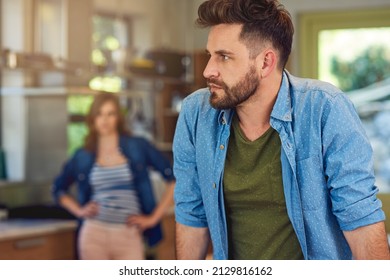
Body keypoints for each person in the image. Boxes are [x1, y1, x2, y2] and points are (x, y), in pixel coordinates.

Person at [173, 0, 390, 260]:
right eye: (210, 54)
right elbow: (191, 214)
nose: (208, 70)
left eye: (224, 56)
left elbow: (360, 218)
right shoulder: (196, 113)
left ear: (266, 63)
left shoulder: (325, 109)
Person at [53, 93, 175, 260]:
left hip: (128, 234)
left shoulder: (137, 146)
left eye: (110, 114)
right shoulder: (82, 155)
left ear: (118, 118)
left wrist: (153, 219)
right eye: (100, 114)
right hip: (93, 234)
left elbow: (174, 179)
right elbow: (58, 189)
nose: (105, 119)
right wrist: (80, 211)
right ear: (92, 118)